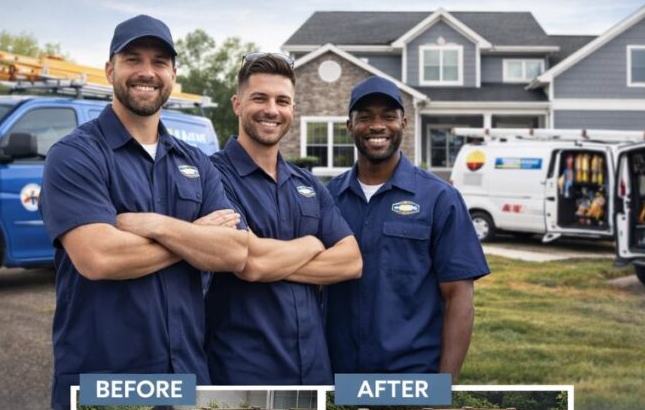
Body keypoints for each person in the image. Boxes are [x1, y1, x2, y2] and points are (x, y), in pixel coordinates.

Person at [40, 15, 248, 410]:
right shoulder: (76, 155)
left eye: (160, 61)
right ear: (110, 70)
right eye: (133, 58)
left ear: (173, 75)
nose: (147, 71)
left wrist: (155, 225)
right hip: (105, 386)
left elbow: (234, 252)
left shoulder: (196, 162)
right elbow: (100, 258)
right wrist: (195, 239)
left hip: (187, 379)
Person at [205, 53, 362, 384]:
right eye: (259, 98)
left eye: (282, 101)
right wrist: (312, 242)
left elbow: (350, 261)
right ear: (237, 104)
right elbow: (249, 262)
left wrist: (271, 260)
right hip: (243, 369)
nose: (271, 110)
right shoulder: (212, 176)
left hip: (315, 369)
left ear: (293, 109)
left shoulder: (307, 184)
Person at [326, 76, 490, 381]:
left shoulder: (440, 199)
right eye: (365, 117)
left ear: (404, 123)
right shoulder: (329, 198)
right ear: (349, 126)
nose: (377, 126)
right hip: (337, 372)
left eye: (388, 117)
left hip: (411, 375)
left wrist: (444, 386)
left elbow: (459, 298)